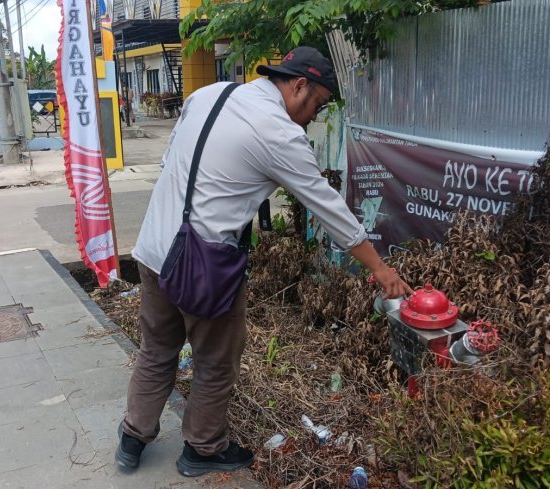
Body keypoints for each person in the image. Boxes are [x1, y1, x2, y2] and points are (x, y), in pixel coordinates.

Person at [116, 46, 413, 477]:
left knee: (157, 347)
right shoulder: (278, 132)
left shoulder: (208, 94)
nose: (314, 116)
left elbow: (171, 164)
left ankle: (131, 439)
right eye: (319, 104)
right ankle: (202, 448)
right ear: (299, 86)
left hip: (154, 248)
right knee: (216, 358)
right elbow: (329, 209)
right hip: (203, 265)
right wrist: (380, 269)